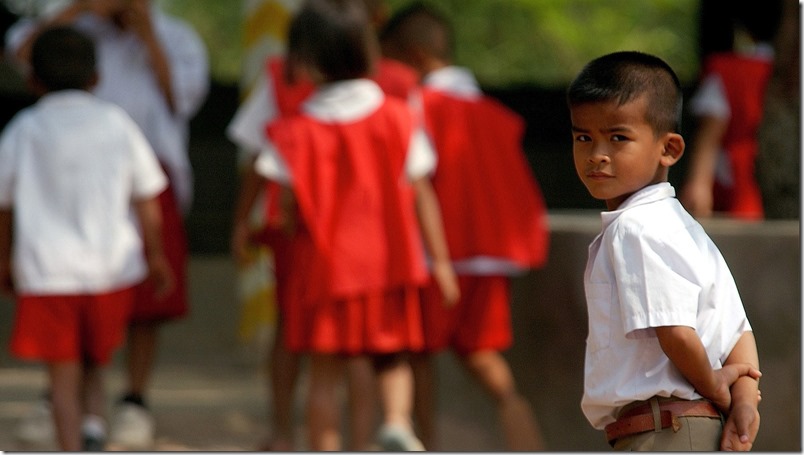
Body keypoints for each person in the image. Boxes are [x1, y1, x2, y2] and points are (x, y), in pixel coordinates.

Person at [245, 0, 459, 450]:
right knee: (392, 357)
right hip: (390, 264)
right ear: (367, 48)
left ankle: (325, 445)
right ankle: (398, 421)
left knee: (324, 373)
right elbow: (421, 192)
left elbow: (283, 205)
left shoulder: (293, 130)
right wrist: (439, 263)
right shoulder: (399, 117)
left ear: (302, 59)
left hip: (324, 271)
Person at [5, 0, 209, 450]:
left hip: (115, 203)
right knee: (91, 350)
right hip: (90, 235)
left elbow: (183, 100)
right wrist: (78, 9)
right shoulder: (74, 34)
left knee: (109, 333)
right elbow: (19, 50)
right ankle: (88, 422)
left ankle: (116, 408)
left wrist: (147, 35)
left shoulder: (175, 39)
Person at [567, 50, 761, 451]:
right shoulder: (691, 234)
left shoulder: (635, 227)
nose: (597, 154)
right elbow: (738, 333)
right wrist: (742, 403)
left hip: (663, 431)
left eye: (618, 137)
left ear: (669, 149)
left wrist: (717, 391)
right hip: (688, 425)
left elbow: (674, 332)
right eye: (583, 136)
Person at [379, 3, 549, 451]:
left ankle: (426, 444)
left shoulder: (418, 105)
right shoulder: (494, 112)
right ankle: (525, 435)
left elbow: (414, 184)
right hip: (494, 255)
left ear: (412, 56)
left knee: (416, 354)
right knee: (481, 353)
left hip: (442, 255)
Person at [679, 2, 781, 220]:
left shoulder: (729, 71)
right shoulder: (780, 70)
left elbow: (710, 135)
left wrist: (698, 184)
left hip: (740, 181)